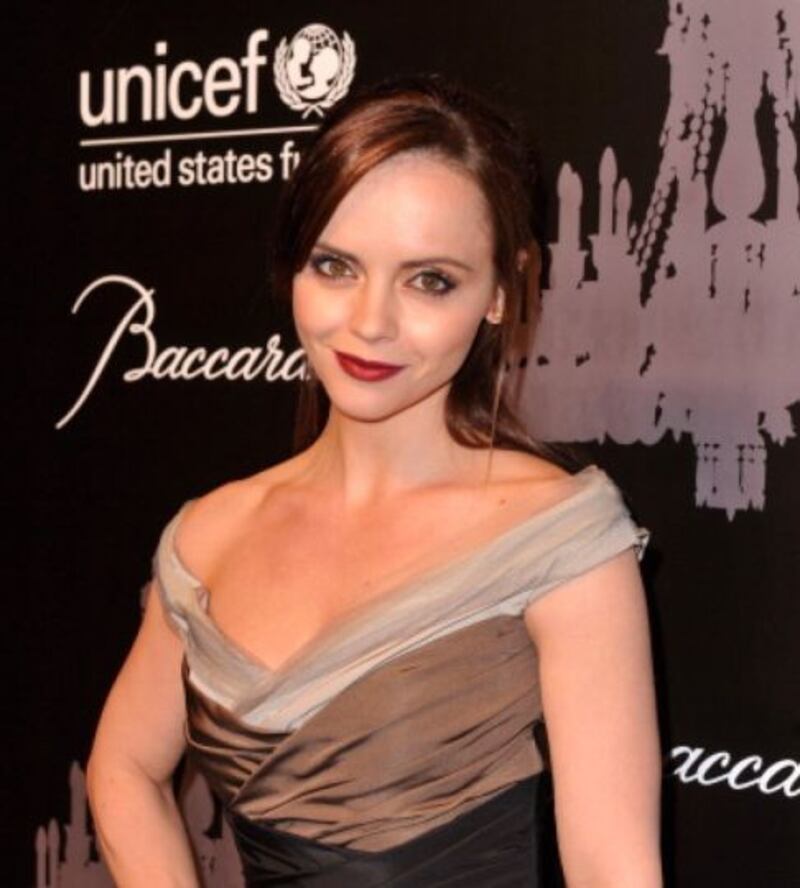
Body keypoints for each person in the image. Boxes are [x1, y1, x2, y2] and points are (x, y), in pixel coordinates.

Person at [87, 73, 662, 887]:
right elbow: (123, 768)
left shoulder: (559, 540)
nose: (370, 322)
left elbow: (612, 868)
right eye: (335, 266)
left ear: (501, 294)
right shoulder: (208, 535)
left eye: (430, 280)